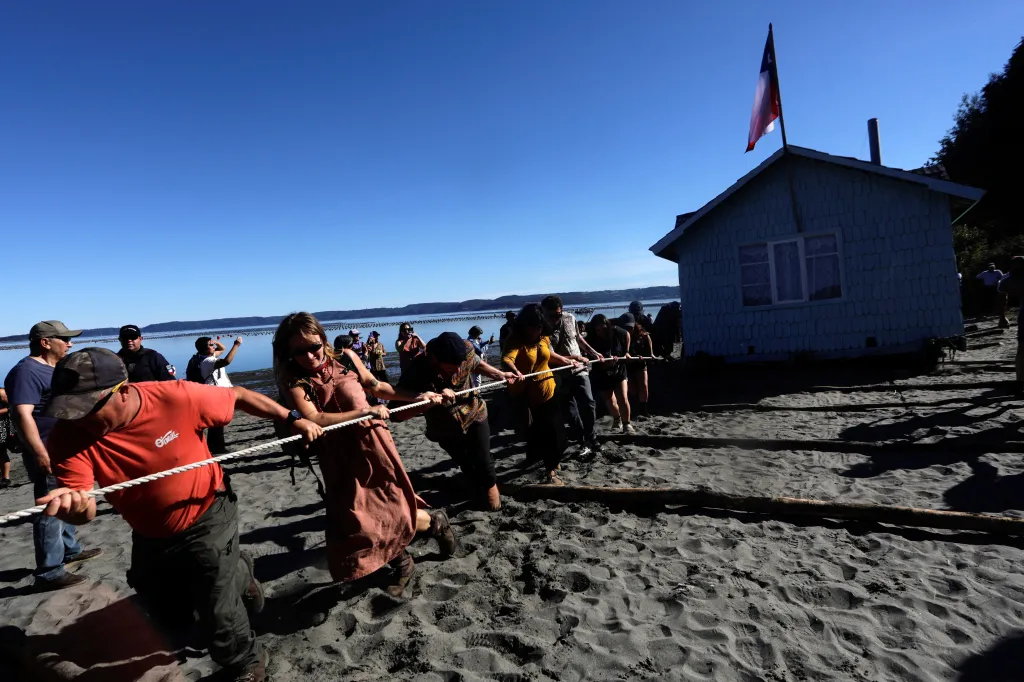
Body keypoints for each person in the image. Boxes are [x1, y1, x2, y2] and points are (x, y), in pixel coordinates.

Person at [40, 347, 323, 682]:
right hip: (148, 530)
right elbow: (84, 511)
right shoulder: (67, 436)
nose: (77, 418)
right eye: (69, 408)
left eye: (86, 409)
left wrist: (293, 418)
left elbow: (240, 395)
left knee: (217, 605)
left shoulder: (175, 397)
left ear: (121, 391)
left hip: (208, 511)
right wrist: (73, 508)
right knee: (168, 612)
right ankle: (240, 572)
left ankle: (244, 662)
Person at [273, 313, 456, 596]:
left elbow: (376, 386)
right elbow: (314, 417)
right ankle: (403, 561)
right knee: (359, 519)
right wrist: (364, 411)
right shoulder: (293, 380)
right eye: (299, 351)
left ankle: (435, 524)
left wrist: (417, 397)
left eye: (314, 347)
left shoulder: (346, 358)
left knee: (393, 508)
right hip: (337, 455)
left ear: (323, 339)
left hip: (372, 445)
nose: (309, 356)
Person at [4, 321, 102, 590]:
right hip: (49, 449)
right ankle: (49, 571)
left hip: (68, 449)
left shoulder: (55, 368)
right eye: (64, 339)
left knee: (70, 498)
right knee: (52, 509)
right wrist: (40, 453)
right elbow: (21, 414)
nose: (70, 344)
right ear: (45, 342)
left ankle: (69, 550)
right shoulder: (26, 371)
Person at [394, 332, 518, 510]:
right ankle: (476, 490)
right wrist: (424, 402)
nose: (459, 370)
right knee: (467, 463)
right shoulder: (417, 371)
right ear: (436, 359)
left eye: (461, 365)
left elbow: (476, 363)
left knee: (484, 460)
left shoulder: (466, 349)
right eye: (453, 367)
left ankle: (494, 502)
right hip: (444, 427)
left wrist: (499, 374)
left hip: (475, 412)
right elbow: (397, 415)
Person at [502, 304, 582, 485]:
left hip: (548, 390)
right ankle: (549, 469)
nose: (535, 330)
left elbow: (549, 356)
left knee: (555, 432)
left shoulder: (543, 337)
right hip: (527, 396)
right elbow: (507, 360)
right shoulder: (515, 340)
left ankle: (549, 464)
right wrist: (515, 372)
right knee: (542, 433)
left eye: (539, 326)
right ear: (524, 325)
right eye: (532, 327)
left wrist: (571, 359)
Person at [541, 295, 603, 457]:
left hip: (580, 369)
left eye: (557, 314)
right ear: (544, 313)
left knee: (589, 403)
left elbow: (578, 338)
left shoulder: (570, 318)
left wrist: (593, 352)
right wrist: (573, 359)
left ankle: (592, 436)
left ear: (562, 310)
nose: (555, 319)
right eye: (551, 315)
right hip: (558, 373)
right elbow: (549, 355)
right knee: (570, 410)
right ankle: (582, 439)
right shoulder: (541, 327)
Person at [187, 336, 243, 454]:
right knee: (218, 422)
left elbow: (222, 348)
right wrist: (236, 345)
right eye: (210, 345)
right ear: (204, 348)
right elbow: (226, 361)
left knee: (218, 423)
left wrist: (214, 342)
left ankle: (216, 447)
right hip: (215, 394)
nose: (213, 346)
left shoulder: (206, 357)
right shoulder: (207, 361)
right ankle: (217, 448)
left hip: (215, 393)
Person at [588, 314, 634, 434]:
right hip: (602, 372)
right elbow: (590, 357)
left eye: (603, 329)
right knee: (609, 399)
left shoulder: (616, 332)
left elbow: (627, 334)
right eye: (598, 330)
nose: (600, 332)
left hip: (618, 369)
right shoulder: (591, 339)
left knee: (623, 397)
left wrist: (627, 351)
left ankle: (627, 424)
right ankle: (617, 419)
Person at [998, 257, 1024, 391]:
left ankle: (1020, 382)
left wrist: (1002, 317)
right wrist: (1002, 317)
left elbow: (1003, 297)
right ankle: (1019, 382)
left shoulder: (1009, 280)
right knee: (1021, 349)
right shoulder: (1009, 280)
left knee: (1022, 350)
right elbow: (1003, 296)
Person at [622, 313, 654, 419]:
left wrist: (650, 353)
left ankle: (643, 410)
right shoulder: (621, 334)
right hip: (628, 363)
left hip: (640, 362)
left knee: (644, 385)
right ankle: (634, 409)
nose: (628, 330)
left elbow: (648, 338)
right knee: (632, 388)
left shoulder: (641, 333)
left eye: (630, 327)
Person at [977, 263, 1010, 327]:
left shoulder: (997, 272)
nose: (992, 269)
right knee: (988, 300)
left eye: (993, 268)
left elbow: (1002, 277)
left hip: (995, 288)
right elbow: (977, 277)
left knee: (998, 300)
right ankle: (990, 312)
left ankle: (999, 314)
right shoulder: (985, 273)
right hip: (987, 288)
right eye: (990, 268)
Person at [0, 387, 12, 488]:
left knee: (1, 452)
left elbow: (11, 406)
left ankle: (5, 477)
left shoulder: (1, 392)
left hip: (1, 426)